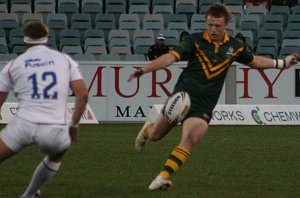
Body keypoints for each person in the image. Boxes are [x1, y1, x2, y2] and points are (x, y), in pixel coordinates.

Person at [128, 3, 299, 191]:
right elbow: (170, 58)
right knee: (155, 135)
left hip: (203, 106)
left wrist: (281, 63)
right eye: (209, 24)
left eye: (217, 25)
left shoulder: (235, 47)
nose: (212, 29)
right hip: (181, 98)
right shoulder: (194, 41)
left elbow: (255, 61)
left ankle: (163, 176)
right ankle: (145, 132)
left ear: (226, 24)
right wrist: (144, 70)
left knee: (191, 138)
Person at [0, 21, 88, 197]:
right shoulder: (64, 60)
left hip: (23, 124)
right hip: (54, 127)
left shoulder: (13, 65)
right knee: (58, 153)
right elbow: (83, 94)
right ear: (46, 38)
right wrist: (74, 125)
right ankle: (29, 194)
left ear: (25, 41)